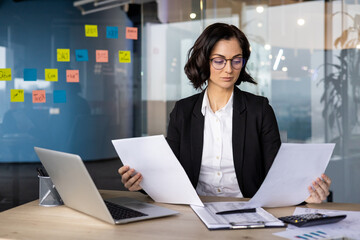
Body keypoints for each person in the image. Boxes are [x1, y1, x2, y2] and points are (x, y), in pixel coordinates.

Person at [118, 23, 331, 203]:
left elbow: (277, 174)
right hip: (196, 210)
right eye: (219, 60)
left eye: (236, 60)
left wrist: (305, 195)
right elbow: (169, 175)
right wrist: (141, 183)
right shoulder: (182, 111)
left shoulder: (259, 109)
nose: (228, 69)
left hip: (249, 209)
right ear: (204, 61)